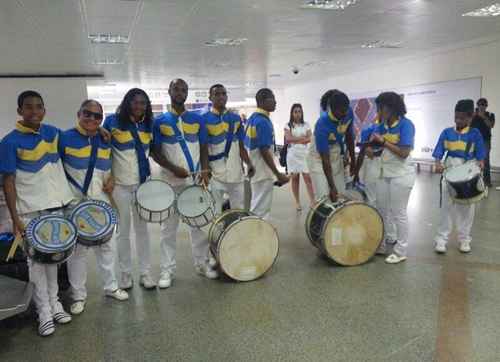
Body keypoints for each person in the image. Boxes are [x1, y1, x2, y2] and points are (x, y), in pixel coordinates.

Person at [0, 90, 74, 336]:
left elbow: (77, 140)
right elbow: (8, 182)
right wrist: (15, 218)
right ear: (20, 111)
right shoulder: (9, 142)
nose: (34, 111)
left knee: (53, 260)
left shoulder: (53, 133)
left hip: (56, 208)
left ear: (44, 110)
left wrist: (102, 132)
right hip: (30, 212)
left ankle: (55, 304)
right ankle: (43, 311)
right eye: (29, 107)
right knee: (35, 263)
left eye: (39, 107)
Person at [60, 100, 129, 315]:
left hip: (101, 202)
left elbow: (108, 168)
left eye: (97, 116)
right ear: (78, 114)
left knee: (107, 247)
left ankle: (110, 287)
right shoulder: (64, 138)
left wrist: (112, 179)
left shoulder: (104, 139)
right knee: (77, 253)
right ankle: (78, 296)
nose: (92, 119)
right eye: (87, 114)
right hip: (75, 204)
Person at [151, 79, 218, 289]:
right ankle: (167, 270)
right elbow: (155, 152)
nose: (180, 92)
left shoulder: (197, 120)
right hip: (169, 183)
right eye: (176, 89)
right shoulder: (159, 121)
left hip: (194, 181)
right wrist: (173, 169)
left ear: (187, 93)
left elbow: (204, 147)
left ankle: (202, 263)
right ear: (169, 91)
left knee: (199, 225)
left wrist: (205, 171)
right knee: (167, 229)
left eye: (184, 90)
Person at [103, 88, 156, 290]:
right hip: (120, 186)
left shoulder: (149, 124)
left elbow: (153, 150)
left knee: (143, 231)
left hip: (142, 185)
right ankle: (125, 275)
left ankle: (145, 273)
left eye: (143, 102)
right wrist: (108, 178)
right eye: (135, 102)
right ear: (127, 102)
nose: (139, 106)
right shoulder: (112, 121)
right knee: (123, 232)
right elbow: (103, 149)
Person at [433, 99, 485, 254]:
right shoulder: (447, 132)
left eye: (462, 118)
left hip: (468, 171)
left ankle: (464, 239)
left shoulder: (475, 134)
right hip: (449, 172)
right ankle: (441, 239)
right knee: (445, 208)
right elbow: (439, 151)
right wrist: (437, 163)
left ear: (470, 118)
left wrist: (481, 163)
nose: (458, 121)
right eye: (456, 117)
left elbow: (481, 155)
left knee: (467, 209)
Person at [370, 92, 416, 264]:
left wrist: (383, 142)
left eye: (380, 108)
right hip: (384, 173)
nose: (378, 112)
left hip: (402, 174)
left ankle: (401, 250)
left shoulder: (406, 125)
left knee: (399, 213)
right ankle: (380, 244)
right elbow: (378, 149)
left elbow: (404, 153)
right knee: (381, 210)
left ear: (391, 108)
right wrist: (371, 149)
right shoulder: (382, 125)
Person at [202, 84, 255, 212]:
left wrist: (249, 163)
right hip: (215, 174)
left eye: (223, 94)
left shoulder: (236, 119)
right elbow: (203, 148)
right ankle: (218, 232)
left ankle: (235, 231)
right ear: (210, 97)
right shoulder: (204, 120)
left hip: (236, 173)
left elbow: (241, 146)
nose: (221, 97)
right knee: (215, 212)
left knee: (239, 210)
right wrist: (204, 169)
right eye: (217, 94)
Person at [354, 103, 398, 245]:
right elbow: (362, 150)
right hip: (373, 165)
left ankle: (388, 233)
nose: (383, 113)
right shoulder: (369, 128)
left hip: (389, 166)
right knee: (373, 200)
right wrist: (356, 171)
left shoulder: (396, 127)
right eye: (381, 110)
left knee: (386, 202)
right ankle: (378, 231)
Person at [244, 88, 289, 220]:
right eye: (273, 98)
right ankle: (257, 237)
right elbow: (264, 151)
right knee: (260, 211)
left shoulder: (253, 118)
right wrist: (278, 174)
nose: (275, 102)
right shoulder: (263, 122)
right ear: (263, 101)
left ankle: (257, 235)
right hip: (263, 172)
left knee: (257, 205)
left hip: (255, 169)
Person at [306, 90, 355, 202]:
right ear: (332, 109)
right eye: (341, 111)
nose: (344, 114)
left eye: (345, 110)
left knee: (341, 195)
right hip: (318, 158)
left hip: (335, 152)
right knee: (324, 197)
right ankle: (322, 218)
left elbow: (349, 136)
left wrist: (353, 161)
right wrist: (332, 187)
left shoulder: (348, 112)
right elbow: (325, 159)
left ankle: (339, 219)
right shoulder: (322, 124)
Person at [284, 103, 315, 210]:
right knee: (295, 179)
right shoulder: (288, 125)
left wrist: (296, 139)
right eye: (295, 112)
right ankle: (297, 202)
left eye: (299, 112)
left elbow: (310, 138)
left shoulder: (306, 125)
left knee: (308, 178)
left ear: (302, 113)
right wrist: (302, 139)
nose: (298, 114)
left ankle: (312, 201)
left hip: (304, 154)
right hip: (293, 154)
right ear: (292, 113)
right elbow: (288, 139)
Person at [471, 98, 495, 187]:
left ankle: (487, 182)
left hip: (485, 141)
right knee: (472, 160)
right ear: (477, 105)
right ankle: (473, 181)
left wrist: (483, 116)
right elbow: (468, 125)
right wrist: (473, 116)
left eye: (483, 105)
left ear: (486, 106)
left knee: (485, 161)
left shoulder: (490, 115)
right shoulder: (474, 115)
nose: (481, 106)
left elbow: (491, 125)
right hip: (474, 141)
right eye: (480, 104)